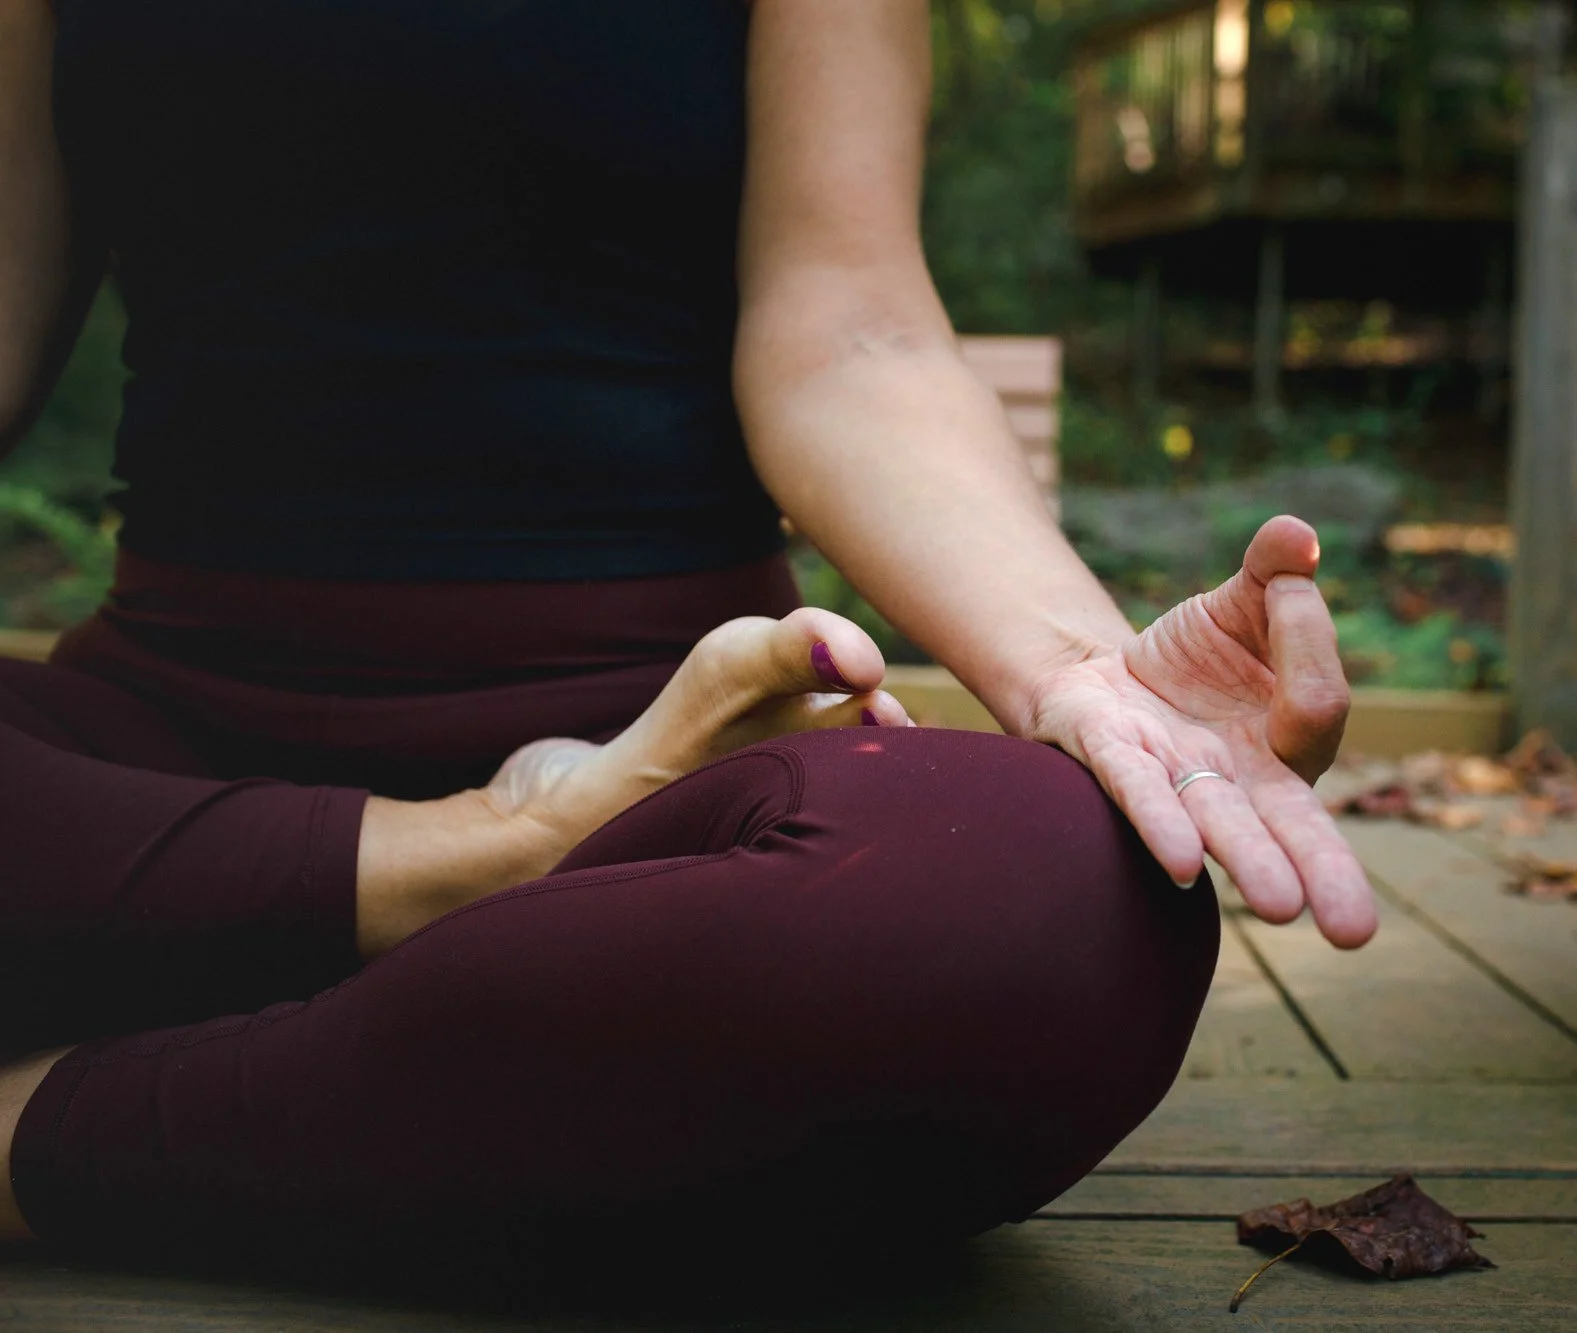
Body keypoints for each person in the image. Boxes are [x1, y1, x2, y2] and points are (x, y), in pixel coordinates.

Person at [0, 0, 1376, 1262]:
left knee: (1061, 898)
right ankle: (474, 888)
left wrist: (1079, 671)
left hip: (676, 758)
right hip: (167, 750)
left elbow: (854, 330)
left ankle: (40, 1133)